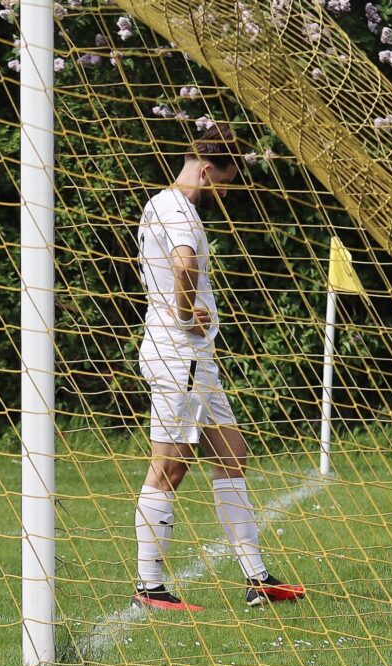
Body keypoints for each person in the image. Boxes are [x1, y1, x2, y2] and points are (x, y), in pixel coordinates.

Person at [131, 125, 306, 612]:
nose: (225, 194)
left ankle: (258, 578)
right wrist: (187, 314)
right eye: (224, 183)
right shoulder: (176, 210)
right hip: (179, 356)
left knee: (232, 454)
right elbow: (184, 266)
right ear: (207, 170)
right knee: (170, 466)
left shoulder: (161, 205)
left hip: (194, 359)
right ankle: (149, 587)